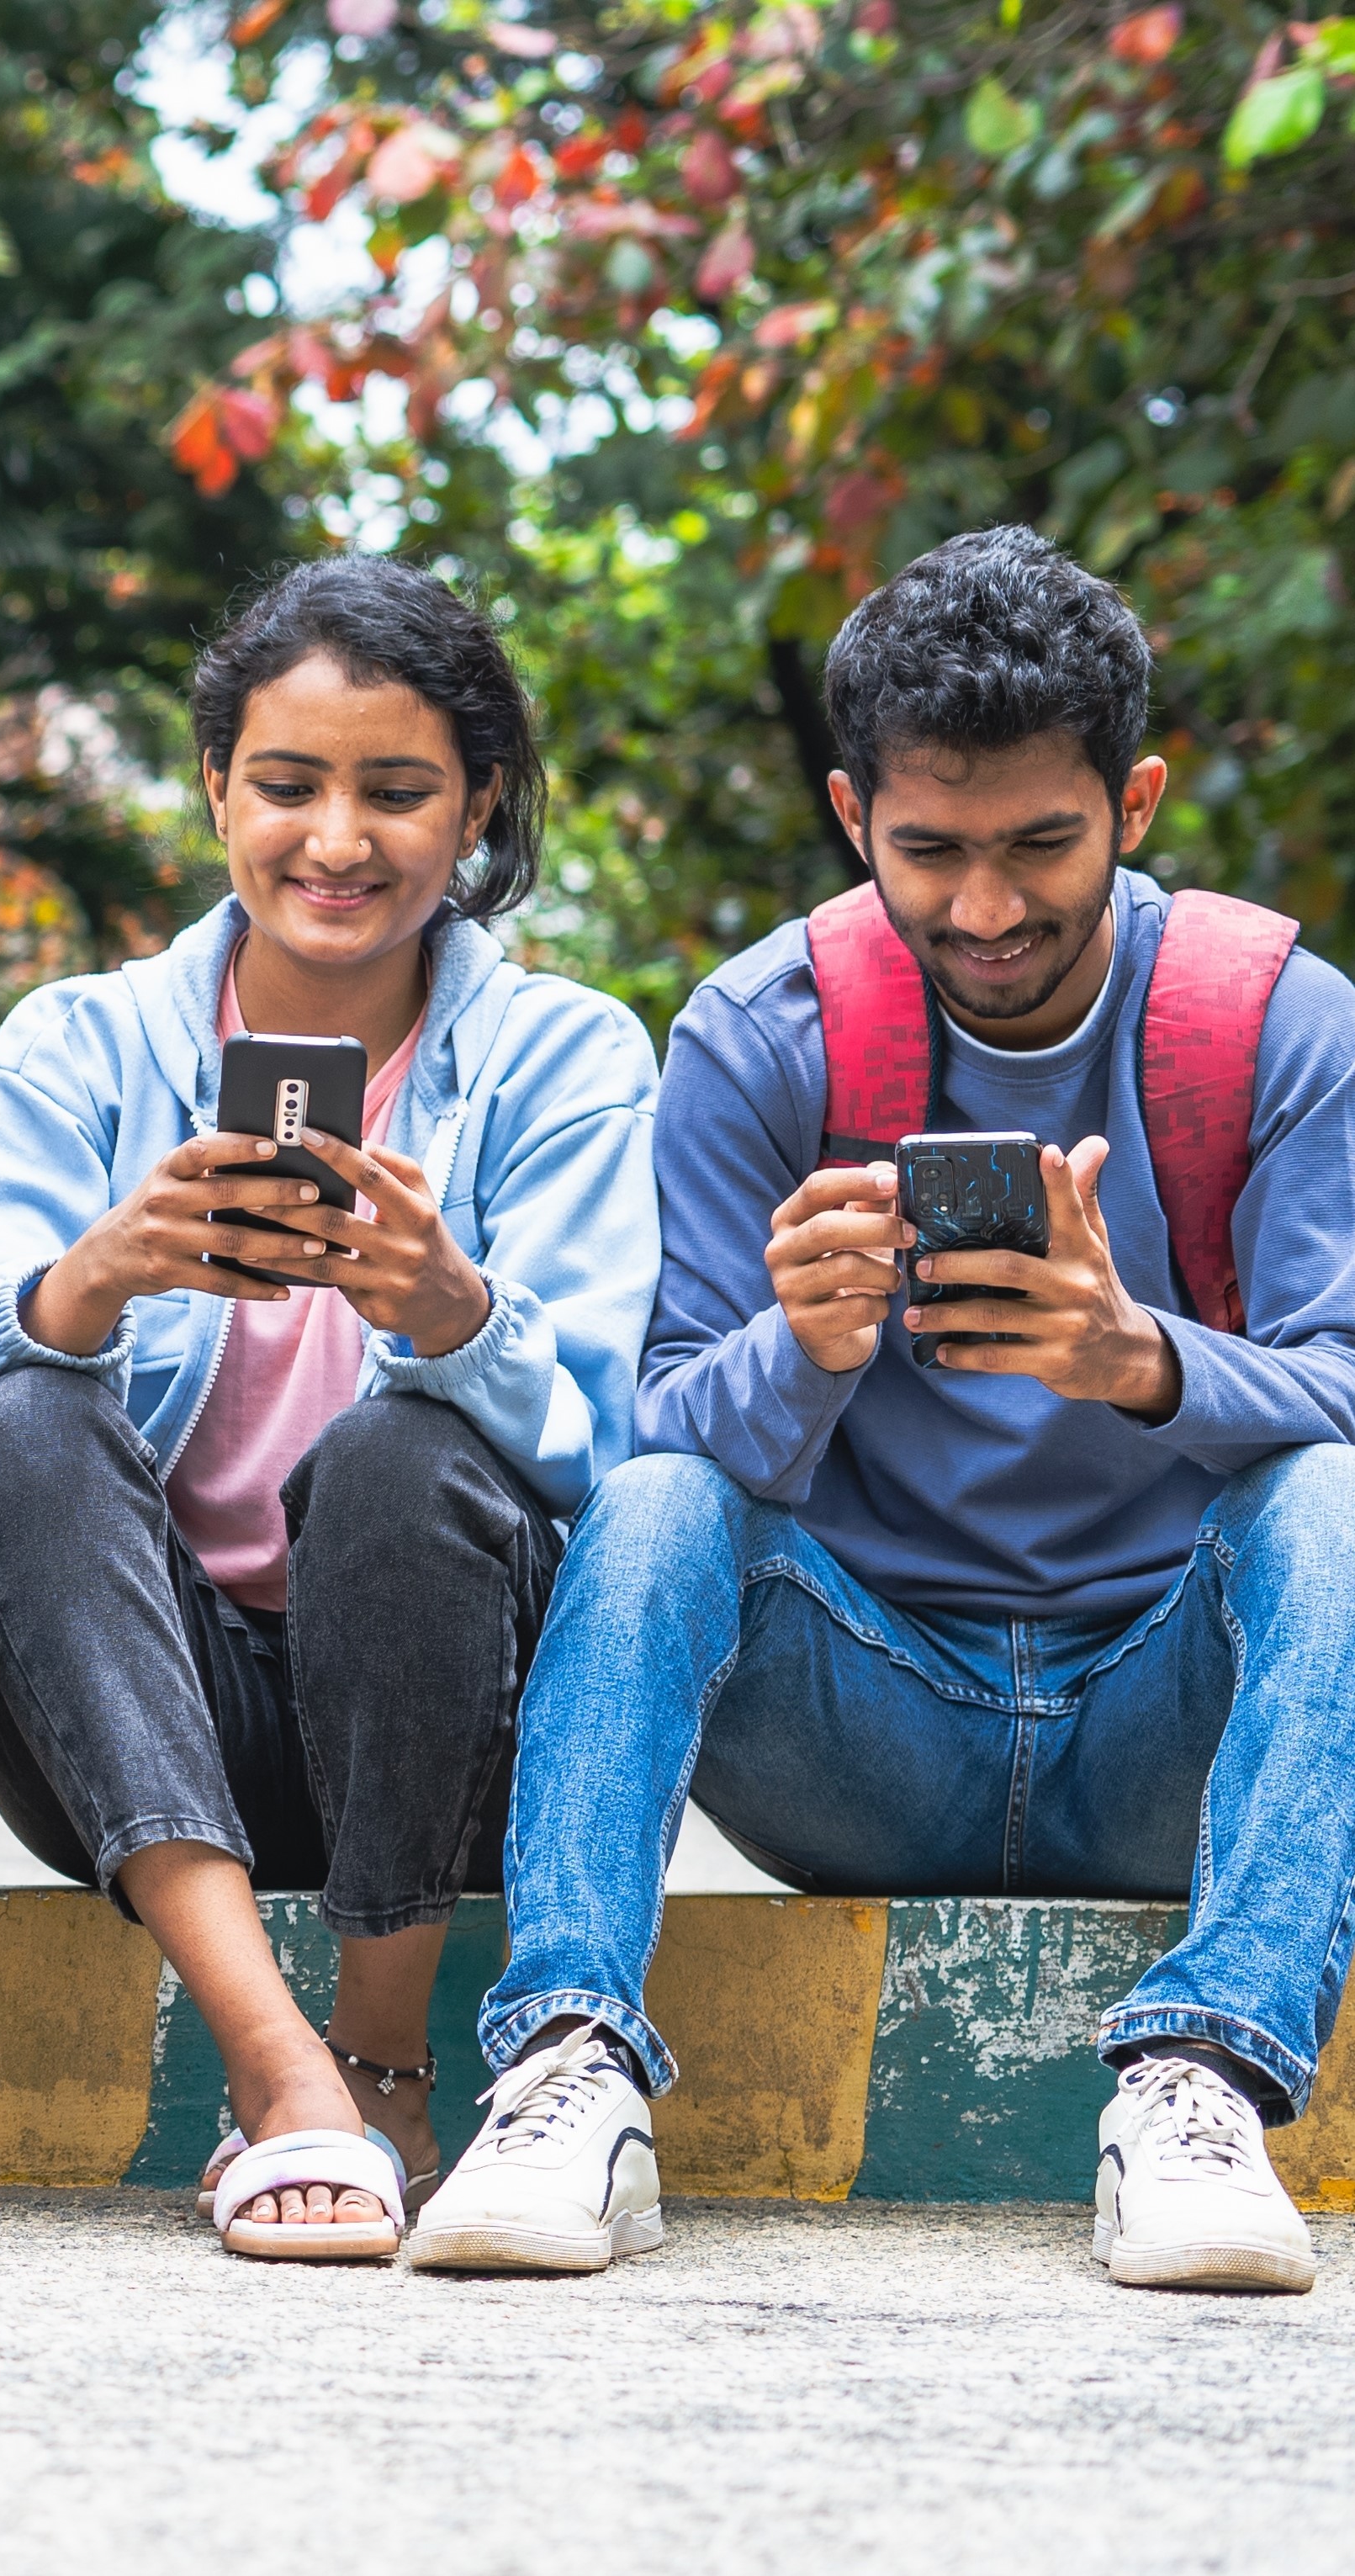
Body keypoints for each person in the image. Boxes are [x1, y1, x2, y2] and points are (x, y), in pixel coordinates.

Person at [411, 527, 1355, 2291]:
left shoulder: (1271, 1023)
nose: (986, 911)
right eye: (930, 852)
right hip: (860, 1726)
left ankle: (1210, 2075)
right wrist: (807, 1345)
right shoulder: (763, 1031)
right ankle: (567, 2069)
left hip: (1170, 1720)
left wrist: (1132, 1357)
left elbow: (1345, 1386)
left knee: (1335, 1499)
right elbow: (671, 1425)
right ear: (854, 817)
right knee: (659, 1504)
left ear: (1134, 801)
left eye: (1038, 847)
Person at [0, 558, 657, 2260]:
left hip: (442, 1713)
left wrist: (447, 1310)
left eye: (397, 791)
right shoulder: (79, 1044)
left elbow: (612, 1448)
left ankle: (385, 2059)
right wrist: (93, 1277)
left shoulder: (567, 1056)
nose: (337, 840)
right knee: (23, 1415)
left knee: (399, 1448)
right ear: (213, 792)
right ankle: (284, 2068)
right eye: (287, 785)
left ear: (472, 806)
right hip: (140, 1725)